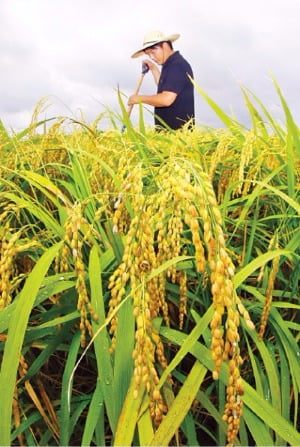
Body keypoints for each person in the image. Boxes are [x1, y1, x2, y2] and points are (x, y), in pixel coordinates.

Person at [128, 30, 195, 131]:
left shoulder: (177, 65)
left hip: (177, 136)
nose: (151, 57)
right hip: (168, 134)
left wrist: (140, 98)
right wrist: (153, 68)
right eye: (148, 54)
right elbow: (165, 87)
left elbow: (166, 99)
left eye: (152, 52)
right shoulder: (169, 65)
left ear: (165, 45)